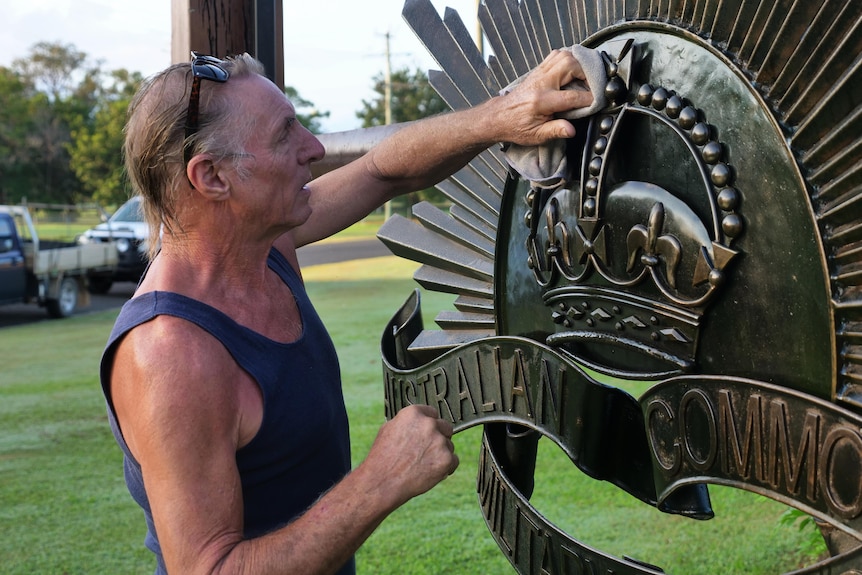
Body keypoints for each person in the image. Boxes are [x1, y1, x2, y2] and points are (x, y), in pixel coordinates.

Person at [99, 48, 594, 575]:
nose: (313, 149)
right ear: (213, 178)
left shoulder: (264, 248)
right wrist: (378, 481)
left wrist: (499, 116)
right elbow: (209, 569)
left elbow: (383, 171)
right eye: (284, 135)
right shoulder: (172, 355)